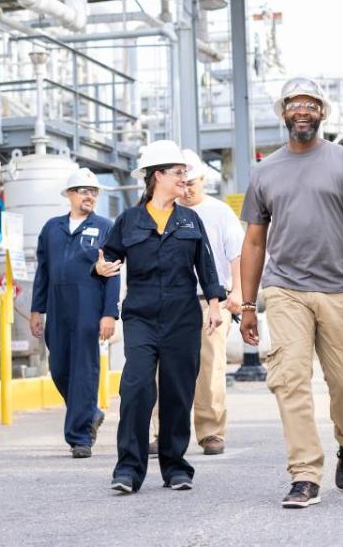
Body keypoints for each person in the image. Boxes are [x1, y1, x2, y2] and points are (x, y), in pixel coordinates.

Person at [239, 77, 343, 509]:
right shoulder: (265, 170)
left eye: (310, 104)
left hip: (339, 289)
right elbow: (254, 242)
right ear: (283, 113)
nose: (302, 111)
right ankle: (304, 474)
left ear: (322, 112)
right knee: (289, 379)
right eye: (294, 104)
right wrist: (248, 304)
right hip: (285, 290)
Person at [94, 140, 225, 494]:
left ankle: (175, 466)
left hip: (182, 316)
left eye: (185, 173)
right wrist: (101, 265)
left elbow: (207, 267)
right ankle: (128, 469)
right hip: (141, 317)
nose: (185, 178)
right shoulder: (129, 220)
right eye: (179, 172)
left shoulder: (190, 219)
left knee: (177, 391)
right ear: (157, 176)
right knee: (136, 388)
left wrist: (214, 304)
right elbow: (107, 255)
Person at [30, 167, 117, 458]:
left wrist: (108, 314)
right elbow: (42, 271)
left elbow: (113, 273)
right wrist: (36, 309)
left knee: (84, 369)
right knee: (59, 368)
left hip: (88, 304)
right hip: (57, 304)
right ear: (69, 195)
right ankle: (90, 412)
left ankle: (80, 437)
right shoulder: (51, 228)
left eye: (93, 192)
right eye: (83, 191)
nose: (89, 196)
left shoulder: (105, 227)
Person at [179, 148, 244, 455]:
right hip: (174, 301)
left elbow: (238, 256)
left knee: (210, 368)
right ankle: (160, 430)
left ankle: (210, 432)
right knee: (165, 368)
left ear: (203, 178)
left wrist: (238, 294)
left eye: (192, 181)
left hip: (211, 301)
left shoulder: (219, 212)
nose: (187, 187)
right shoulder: (166, 211)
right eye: (182, 181)